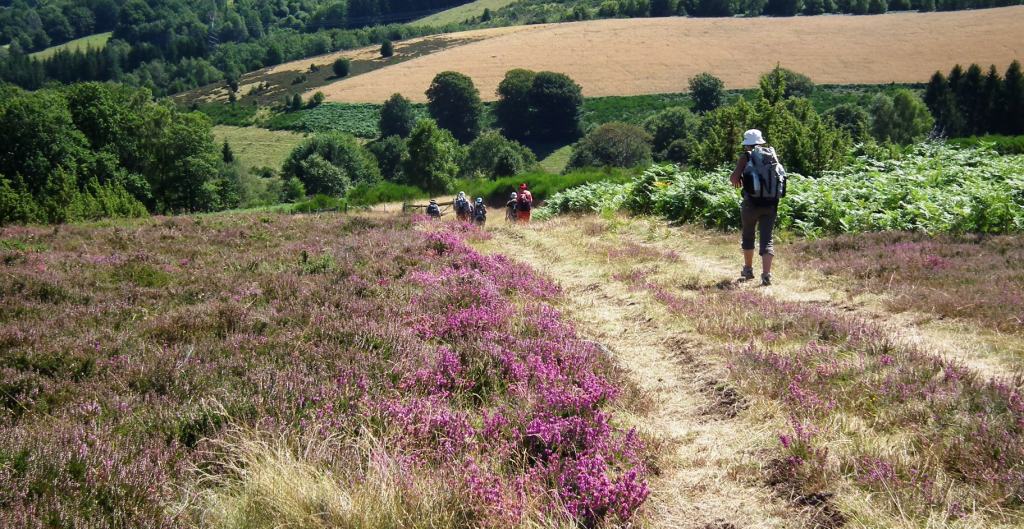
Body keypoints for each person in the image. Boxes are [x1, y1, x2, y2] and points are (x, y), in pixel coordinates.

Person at [729, 129, 786, 286]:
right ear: (761, 142)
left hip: (751, 204)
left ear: (747, 144)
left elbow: (733, 179)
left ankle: (748, 270)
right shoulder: (771, 156)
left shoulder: (746, 156)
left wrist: (740, 179)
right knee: (767, 239)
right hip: (771, 203)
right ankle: (766, 275)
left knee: (748, 236)